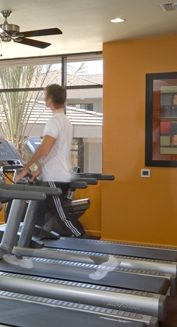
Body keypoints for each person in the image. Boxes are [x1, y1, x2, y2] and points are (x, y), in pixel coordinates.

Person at [14, 83, 119, 279]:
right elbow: (55, 153)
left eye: (45, 97)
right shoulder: (66, 121)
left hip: (55, 179)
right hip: (51, 176)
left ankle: (104, 260)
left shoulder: (54, 121)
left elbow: (45, 149)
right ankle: (23, 256)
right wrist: (39, 171)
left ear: (51, 100)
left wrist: (27, 168)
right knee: (34, 215)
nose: (45, 100)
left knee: (65, 221)